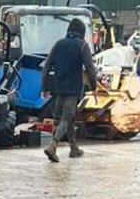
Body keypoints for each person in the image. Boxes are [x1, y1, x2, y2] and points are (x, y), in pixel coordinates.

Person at [42, 17, 100, 162]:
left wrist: (44, 87)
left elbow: (47, 66)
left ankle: (74, 148)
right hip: (73, 88)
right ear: (82, 31)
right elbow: (90, 69)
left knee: (70, 117)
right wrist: (94, 86)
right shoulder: (82, 46)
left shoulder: (59, 44)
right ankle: (53, 145)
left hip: (59, 87)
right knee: (66, 118)